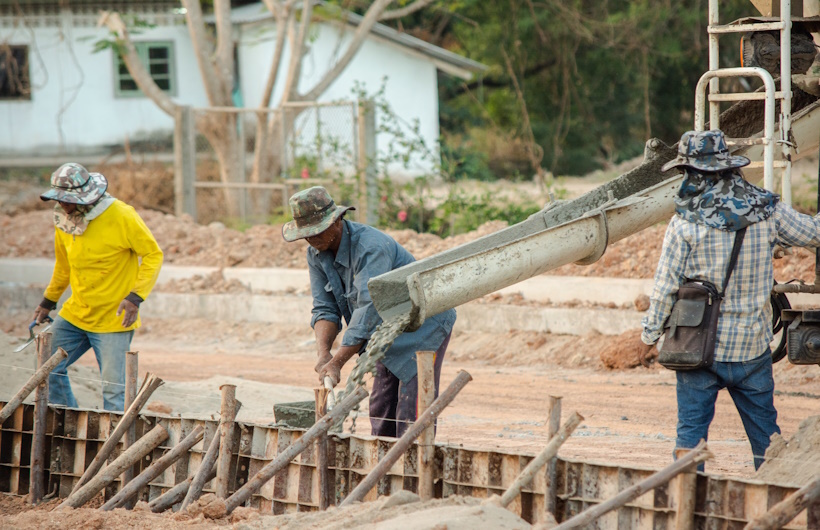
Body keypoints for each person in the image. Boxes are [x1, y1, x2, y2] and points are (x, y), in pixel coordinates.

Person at [639, 129, 820, 470]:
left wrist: (650, 333)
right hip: (752, 349)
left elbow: (665, 288)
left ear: (694, 174)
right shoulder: (768, 211)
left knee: (690, 438)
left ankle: (689, 512)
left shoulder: (685, 224)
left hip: (698, 351)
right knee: (768, 441)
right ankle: (775, 502)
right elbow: (813, 233)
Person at [282, 186, 456, 438]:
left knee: (411, 409)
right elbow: (324, 308)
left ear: (337, 221)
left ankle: (413, 471)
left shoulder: (371, 247)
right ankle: (381, 470)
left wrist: (338, 362)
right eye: (306, 235)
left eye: (317, 231)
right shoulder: (316, 254)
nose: (311, 239)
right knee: (382, 407)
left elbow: (368, 309)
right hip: (383, 333)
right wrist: (324, 356)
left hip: (422, 326)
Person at [32, 163, 163, 411]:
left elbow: (153, 255)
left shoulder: (122, 215)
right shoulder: (64, 220)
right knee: (46, 367)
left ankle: (113, 447)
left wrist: (135, 297)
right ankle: (65, 421)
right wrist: (48, 301)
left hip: (113, 318)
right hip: (76, 313)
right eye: (59, 200)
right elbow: (63, 266)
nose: (63, 206)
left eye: (68, 200)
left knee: (114, 391)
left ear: (86, 196)